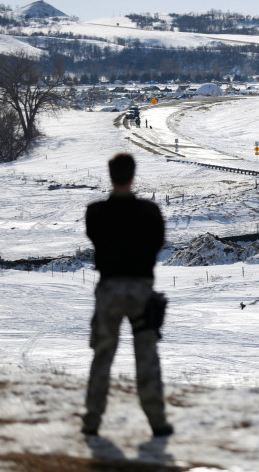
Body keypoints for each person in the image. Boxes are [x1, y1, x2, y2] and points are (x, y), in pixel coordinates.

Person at [82, 152, 172, 438]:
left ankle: (92, 420)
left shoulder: (96, 212)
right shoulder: (149, 212)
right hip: (140, 289)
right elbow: (158, 242)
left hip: (108, 288)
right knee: (146, 357)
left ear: (111, 176)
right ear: (133, 176)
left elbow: (94, 236)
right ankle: (157, 421)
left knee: (102, 356)